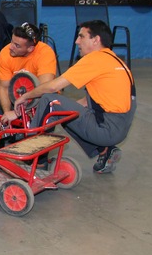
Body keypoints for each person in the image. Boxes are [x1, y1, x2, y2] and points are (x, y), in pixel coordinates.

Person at [13, 20, 136, 174]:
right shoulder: (116, 60)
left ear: (96, 40)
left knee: (50, 100)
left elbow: (52, 87)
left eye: (81, 36)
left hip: (106, 129)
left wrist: (26, 96)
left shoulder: (94, 59)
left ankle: (35, 160)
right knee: (62, 111)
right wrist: (62, 108)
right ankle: (104, 151)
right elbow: (89, 101)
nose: (77, 41)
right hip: (120, 127)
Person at [0, 22, 57, 125]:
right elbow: (4, 87)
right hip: (15, 97)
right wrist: (7, 112)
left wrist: (19, 113)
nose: (11, 47)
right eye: (12, 41)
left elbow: (45, 89)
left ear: (30, 48)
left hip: (40, 99)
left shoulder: (45, 54)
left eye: (17, 45)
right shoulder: (5, 53)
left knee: (34, 125)